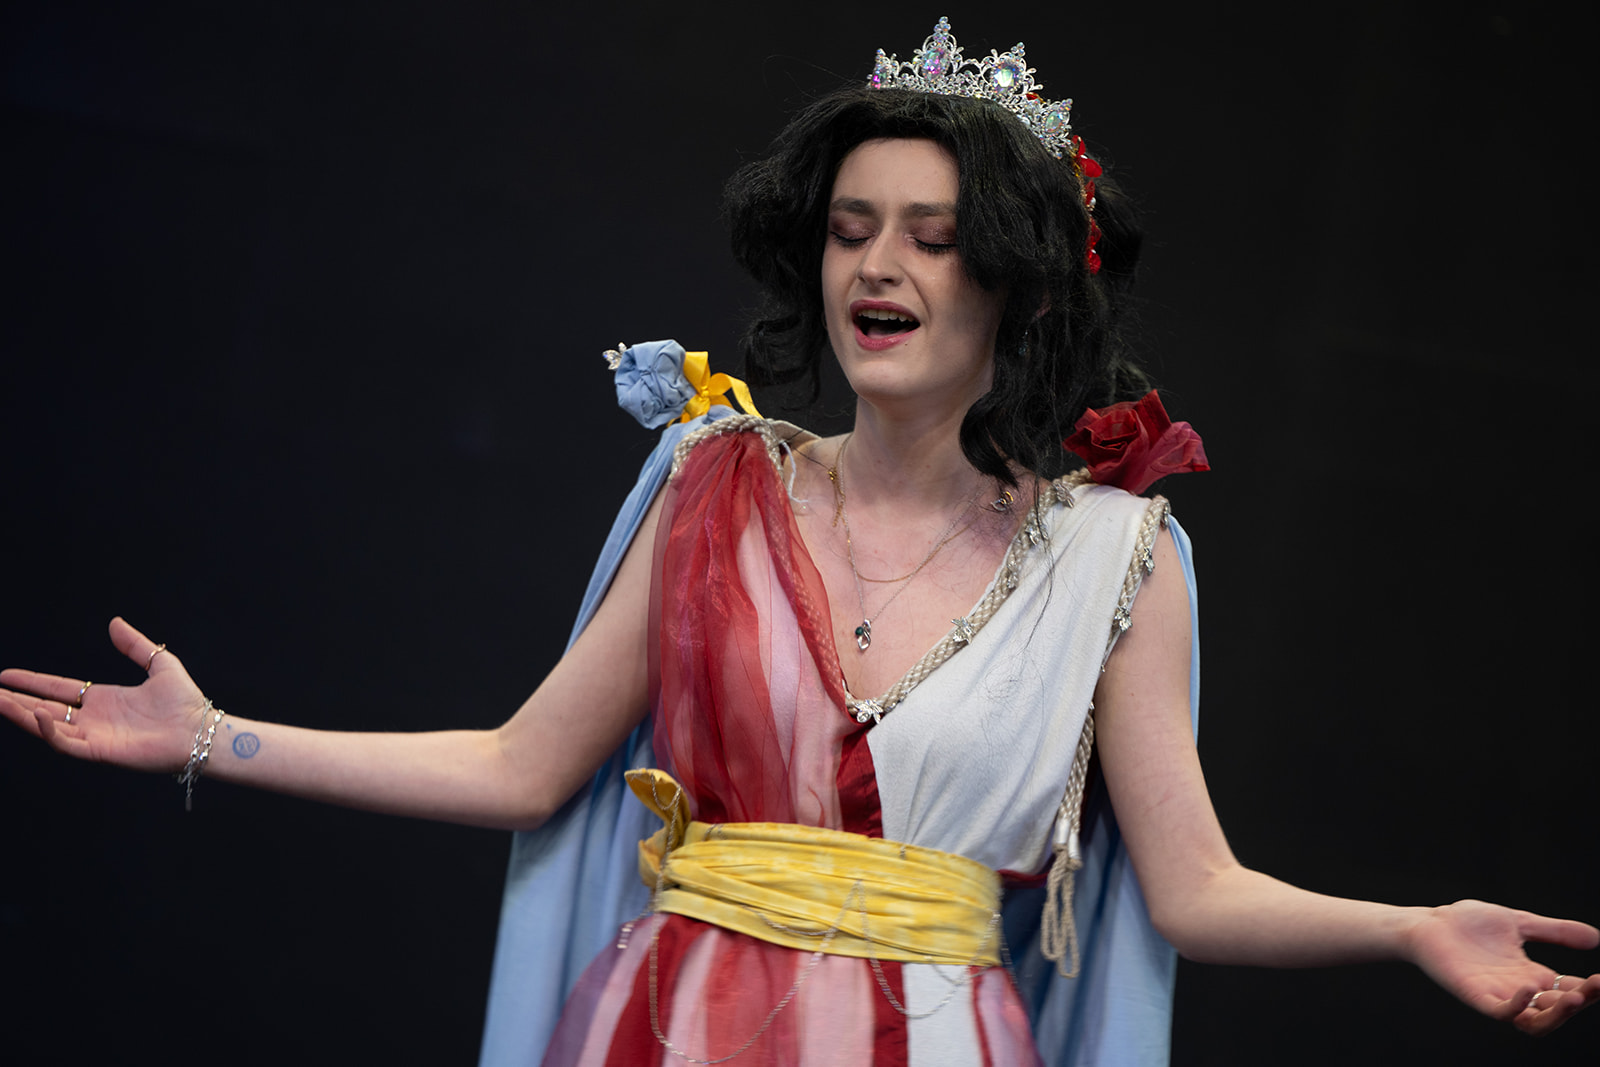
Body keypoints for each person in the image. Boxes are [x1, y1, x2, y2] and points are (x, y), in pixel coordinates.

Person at [2, 19, 1595, 1067]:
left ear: (1016, 280)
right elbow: (520, 766)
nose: (876, 267)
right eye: (849, 230)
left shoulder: (1114, 559)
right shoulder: (717, 484)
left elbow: (1191, 892)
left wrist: (1410, 929)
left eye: (932, 236)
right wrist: (211, 735)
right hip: (669, 1029)